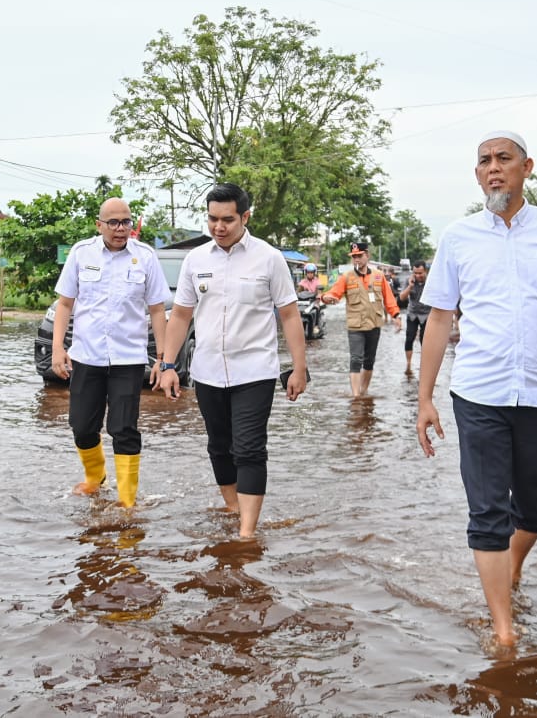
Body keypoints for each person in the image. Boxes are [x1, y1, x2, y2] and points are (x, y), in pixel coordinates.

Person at [416, 131, 537, 649]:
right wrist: (425, 398)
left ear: (526, 167)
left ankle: (513, 564)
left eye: (503, 159)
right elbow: (439, 319)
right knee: (488, 512)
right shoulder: (458, 237)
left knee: (536, 504)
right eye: (484, 162)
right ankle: (503, 629)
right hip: (477, 393)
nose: (493, 168)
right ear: (477, 175)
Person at [156, 183, 308, 539]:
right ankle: (232, 506)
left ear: (245, 217)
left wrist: (298, 368)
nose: (218, 227)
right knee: (218, 445)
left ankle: (246, 533)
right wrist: (166, 365)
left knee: (250, 447)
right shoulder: (196, 260)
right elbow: (180, 316)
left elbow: (288, 314)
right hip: (207, 369)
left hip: (255, 369)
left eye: (227, 219)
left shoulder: (268, 258)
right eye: (212, 219)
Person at [51, 198, 169, 508]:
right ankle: (95, 478)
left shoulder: (145, 257)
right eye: (113, 222)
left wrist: (164, 359)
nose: (120, 229)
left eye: (126, 222)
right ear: (99, 224)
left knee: (123, 428)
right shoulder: (81, 253)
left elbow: (157, 310)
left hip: (127, 359)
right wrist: (57, 348)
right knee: (82, 425)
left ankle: (127, 501)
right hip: (86, 356)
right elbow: (65, 304)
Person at [320, 240, 402, 397]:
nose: (356, 259)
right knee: (356, 359)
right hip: (355, 326)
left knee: (369, 361)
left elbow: (389, 298)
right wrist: (327, 297)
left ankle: (364, 392)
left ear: (367, 256)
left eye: (359, 256)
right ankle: (356, 396)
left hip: (374, 324)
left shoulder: (379, 277)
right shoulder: (346, 277)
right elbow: (332, 293)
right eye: (354, 257)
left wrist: (396, 315)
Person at [398, 260, 430, 374]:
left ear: (425, 271)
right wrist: (410, 286)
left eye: (420, 273)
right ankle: (408, 365)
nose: (417, 275)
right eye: (415, 273)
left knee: (425, 340)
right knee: (409, 338)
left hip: (427, 314)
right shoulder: (409, 281)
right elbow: (401, 298)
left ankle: (425, 364)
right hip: (412, 314)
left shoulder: (431, 282)